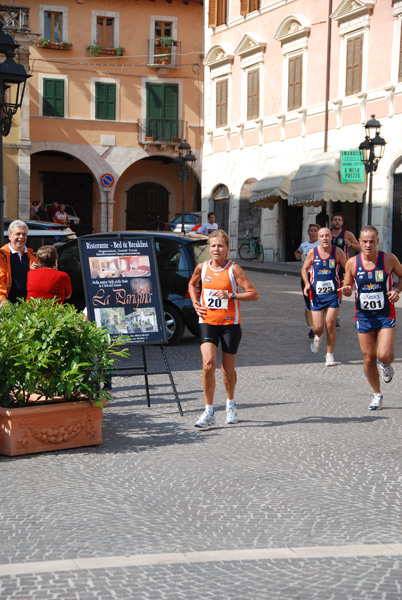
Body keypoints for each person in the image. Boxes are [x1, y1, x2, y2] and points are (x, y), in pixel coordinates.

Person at [188, 229, 258, 427]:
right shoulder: (202, 267)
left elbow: (253, 294)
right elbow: (192, 284)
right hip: (207, 322)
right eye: (213, 246)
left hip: (230, 325)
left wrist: (231, 296)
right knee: (208, 364)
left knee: (227, 369)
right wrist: (195, 303)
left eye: (220, 246)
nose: (216, 249)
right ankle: (209, 411)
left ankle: (230, 403)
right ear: (208, 248)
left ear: (227, 248)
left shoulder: (233, 269)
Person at [339, 225, 402, 410]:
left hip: (385, 314)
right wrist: (347, 290)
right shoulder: (352, 262)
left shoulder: (389, 259)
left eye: (371, 241)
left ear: (377, 242)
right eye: (364, 241)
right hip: (363, 315)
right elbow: (348, 286)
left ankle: (386, 364)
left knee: (385, 355)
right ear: (360, 242)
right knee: (368, 358)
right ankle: (377, 394)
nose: (368, 245)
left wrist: (397, 290)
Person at [301, 227, 346, 366]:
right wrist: (307, 283)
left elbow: (348, 268)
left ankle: (329, 355)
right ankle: (318, 336)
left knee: (330, 324)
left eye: (327, 235)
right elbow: (304, 269)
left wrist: (346, 282)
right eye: (322, 236)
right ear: (319, 239)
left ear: (331, 237)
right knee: (318, 328)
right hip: (316, 295)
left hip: (333, 294)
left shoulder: (338, 252)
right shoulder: (312, 252)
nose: (325, 238)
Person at [0, 220, 39, 305]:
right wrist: (2, 300)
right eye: (18, 234)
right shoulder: (2, 255)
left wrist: (34, 272)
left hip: (28, 304)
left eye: (24, 234)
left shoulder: (32, 256)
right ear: (10, 236)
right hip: (7, 302)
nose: (21, 237)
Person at [295, 223, 320, 338]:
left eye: (315, 231)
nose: (313, 233)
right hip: (306, 275)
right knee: (307, 301)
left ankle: (318, 325)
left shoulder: (321, 244)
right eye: (311, 231)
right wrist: (297, 255)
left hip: (319, 276)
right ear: (308, 232)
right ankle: (311, 328)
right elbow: (297, 252)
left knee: (318, 301)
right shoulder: (304, 245)